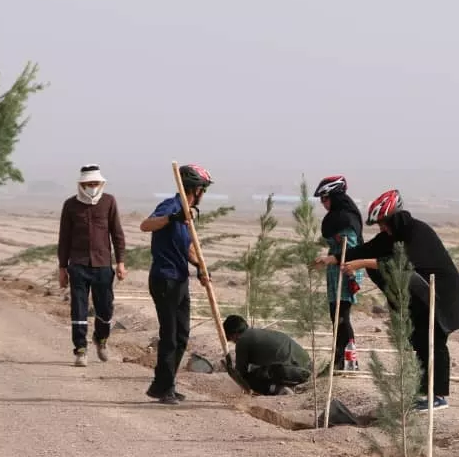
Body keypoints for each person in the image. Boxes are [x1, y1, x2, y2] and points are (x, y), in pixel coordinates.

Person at [315, 189, 459, 412]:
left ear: (393, 218)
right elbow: (368, 248)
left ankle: (437, 397)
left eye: (383, 223)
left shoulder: (416, 232)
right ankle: (426, 393)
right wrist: (333, 259)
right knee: (420, 341)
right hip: (423, 295)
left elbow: (398, 262)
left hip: (442, 294)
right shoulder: (394, 235)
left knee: (435, 343)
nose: (381, 228)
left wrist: (362, 264)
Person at [138, 163, 213, 404]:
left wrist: (200, 266)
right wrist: (172, 218)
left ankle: (163, 385)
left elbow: (188, 248)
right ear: (196, 189)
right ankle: (164, 387)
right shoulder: (171, 206)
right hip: (164, 278)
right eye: (203, 189)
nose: (204, 194)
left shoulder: (189, 214)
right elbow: (145, 225)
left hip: (180, 279)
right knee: (169, 336)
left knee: (181, 336)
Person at [58, 164, 127, 367]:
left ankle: (101, 339)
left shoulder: (109, 202)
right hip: (78, 265)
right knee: (78, 309)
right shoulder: (70, 205)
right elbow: (64, 239)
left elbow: (117, 234)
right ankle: (80, 349)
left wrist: (121, 262)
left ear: (101, 184)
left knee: (105, 309)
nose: (92, 187)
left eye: (95, 183)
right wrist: (62, 268)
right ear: (81, 185)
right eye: (88, 184)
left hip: (103, 265)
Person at [313, 175, 365, 371]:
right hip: (336, 272)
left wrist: (329, 259)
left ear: (334, 197)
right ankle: (338, 360)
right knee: (335, 317)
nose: (323, 203)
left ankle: (349, 361)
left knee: (342, 316)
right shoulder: (336, 218)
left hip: (347, 272)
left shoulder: (346, 219)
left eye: (325, 199)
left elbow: (349, 252)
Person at [222, 314, 312, 396]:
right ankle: (283, 385)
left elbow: (241, 373)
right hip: (306, 368)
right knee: (259, 371)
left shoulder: (243, 341)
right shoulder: (257, 334)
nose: (233, 341)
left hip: (296, 372)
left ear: (234, 334)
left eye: (230, 339)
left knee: (249, 379)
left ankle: (279, 390)